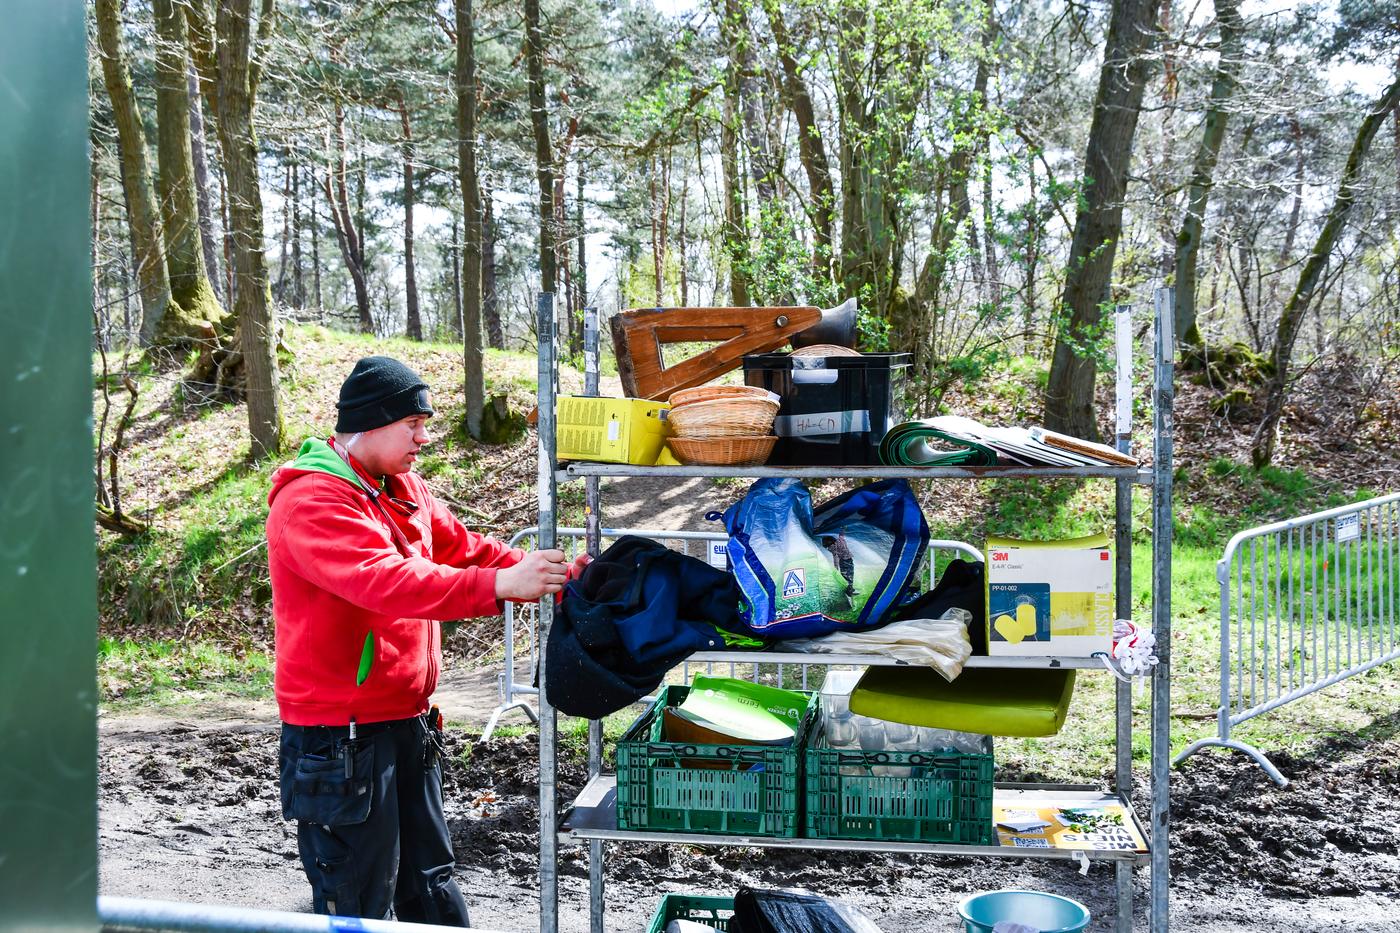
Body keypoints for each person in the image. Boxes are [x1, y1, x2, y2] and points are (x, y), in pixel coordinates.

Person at [265, 355, 585, 925]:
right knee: (360, 905)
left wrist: (544, 572)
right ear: (370, 423)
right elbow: (385, 580)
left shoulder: (399, 484)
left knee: (431, 888)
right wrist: (501, 586)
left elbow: (462, 547)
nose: (425, 437)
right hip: (341, 741)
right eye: (412, 424)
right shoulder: (312, 502)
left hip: (407, 723)